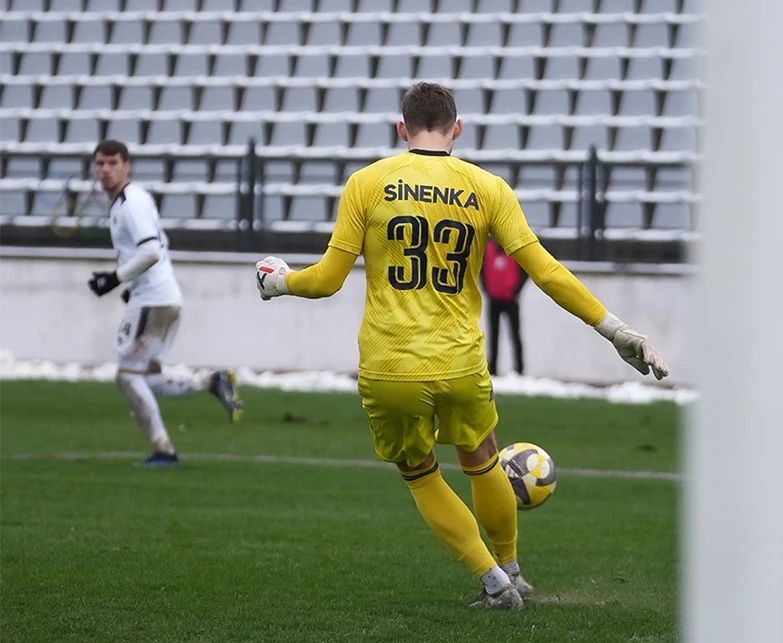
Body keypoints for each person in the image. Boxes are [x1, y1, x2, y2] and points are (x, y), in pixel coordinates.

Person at [253, 83, 668, 609]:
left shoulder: (367, 183)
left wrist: (280, 281)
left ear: (401, 129)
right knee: (483, 456)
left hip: (389, 363)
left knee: (419, 472)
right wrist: (614, 329)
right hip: (459, 360)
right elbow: (544, 270)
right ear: (458, 128)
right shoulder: (487, 187)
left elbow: (329, 280)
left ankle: (493, 583)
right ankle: (511, 570)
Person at [86, 139, 243, 467]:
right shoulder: (129, 202)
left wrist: (116, 279)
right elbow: (159, 247)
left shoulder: (130, 203)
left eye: (112, 163)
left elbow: (152, 250)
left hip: (154, 300)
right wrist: (132, 285)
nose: (105, 170)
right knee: (146, 376)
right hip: (161, 296)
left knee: (127, 376)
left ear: (127, 166)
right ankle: (210, 382)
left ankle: (163, 450)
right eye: (100, 163)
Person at [481, 237, 527, 375]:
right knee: (493, 336)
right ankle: (493, 370)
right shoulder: (487, 248)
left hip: (510, 299)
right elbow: (481, 269)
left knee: (515, 335)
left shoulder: (514, 249)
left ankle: (519, 370)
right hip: (493, 299)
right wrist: (487, 289)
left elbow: (525, 271)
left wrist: (516, 290)